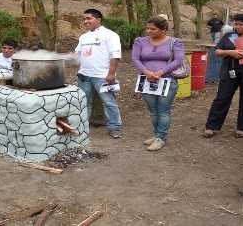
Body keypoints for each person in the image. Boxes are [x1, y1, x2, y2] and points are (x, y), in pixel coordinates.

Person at [132, 14, 185, 151]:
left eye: (153, 29)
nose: (148, 31)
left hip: (166, 80)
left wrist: (161, 72)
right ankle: (156, 134)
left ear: (163, 29)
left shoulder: (175, 42)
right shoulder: (140, 41)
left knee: (163, 111)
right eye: (148, 28)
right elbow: (135, 59)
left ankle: (161, 137)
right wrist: (146, 72)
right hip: (146, 79)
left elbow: (178, 60)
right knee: (153, 110)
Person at [75, 9, 123, 138]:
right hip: (84, 76)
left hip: (102, 76)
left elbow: (115, 56)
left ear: (98, 19)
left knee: (109, 102)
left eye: (89, 18)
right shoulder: (83, 37)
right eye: (84, 19)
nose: (85, 21)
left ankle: (114, 127)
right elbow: (77, 55)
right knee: (83, 102)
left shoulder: (110, 35)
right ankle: (81, 126)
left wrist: (111, 73)